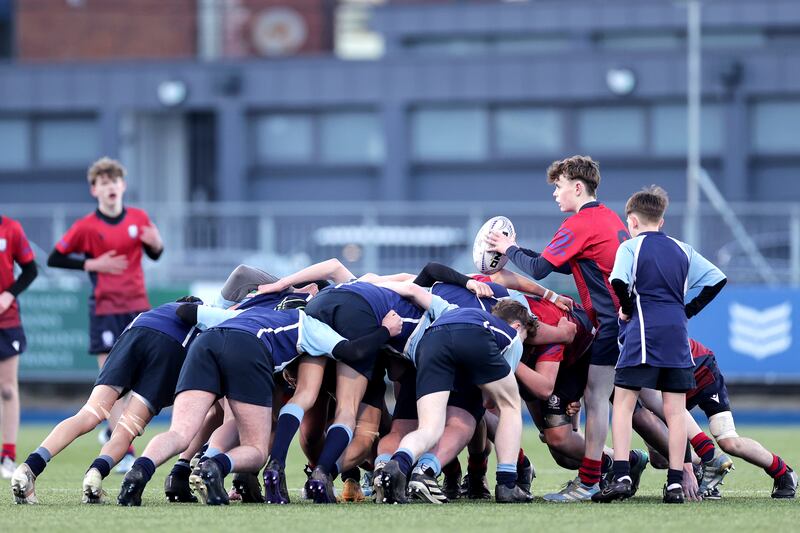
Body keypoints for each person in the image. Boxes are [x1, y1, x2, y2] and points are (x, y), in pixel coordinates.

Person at [116, 303, 402, 506]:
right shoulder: (310, 323)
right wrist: (385, 332)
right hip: (248, 350)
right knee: (255, 449)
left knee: (180, 433)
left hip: (206, 343)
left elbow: (187, 312)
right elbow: (352, 351)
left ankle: (139, 470)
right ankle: (214, 465)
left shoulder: (250, 311)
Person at [485, 155, 629, 500]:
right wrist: (518, 252)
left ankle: (591, 483)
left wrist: (508, 248)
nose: (555, 194)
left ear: (577, 187)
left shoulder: (581, 223)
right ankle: (692, 462)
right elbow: (559, 264)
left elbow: (537, 269)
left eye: (559, 186)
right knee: (646, 402)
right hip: (625, 321)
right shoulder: (607, 217)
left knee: (600, 400)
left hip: (611, 323)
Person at [593, 185, 726, 504]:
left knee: (623, 405)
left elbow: (617, 281)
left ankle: (622, 474)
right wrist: (688, 310)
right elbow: (717, 279)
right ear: (661, 220)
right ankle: (676, 483)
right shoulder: (683, 249)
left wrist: (626, 307)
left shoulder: (630, 247)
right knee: (676, 411)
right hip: (677, 337)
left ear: (632, 221)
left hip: (642, 334)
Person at [10, 298, 201, 504]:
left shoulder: (157, 310)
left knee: (89, 413)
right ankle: (95, 474)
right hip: (171, 348)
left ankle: (29, 468)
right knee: (126, 430)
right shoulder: (204, 320)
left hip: (134, 333)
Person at [47, 157, 163, 472]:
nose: (110, 187)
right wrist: (91, 264)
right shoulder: (86, 227)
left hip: (137, 308)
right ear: (94, 189)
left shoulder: (138, 218)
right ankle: (123, 449)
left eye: (115, 181)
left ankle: (113, 434)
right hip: (104, 309)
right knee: (112, 383)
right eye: (104, 182)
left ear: (122, 186)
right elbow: (55, 258)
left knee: (135, 384)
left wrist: (157, 244)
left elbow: (155, 251)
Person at [686, 338, 796, 499]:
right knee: (659, 454)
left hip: (700, 368)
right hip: (685, 366)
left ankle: (783, 473)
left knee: (728, 440)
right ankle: (703, 473)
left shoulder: (643, 324)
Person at [0, 215, 37, 478]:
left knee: (7, 389)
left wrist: (9, 294)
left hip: (7, 321)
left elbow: (30, 269)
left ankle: (8, 456)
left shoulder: (11, 228)